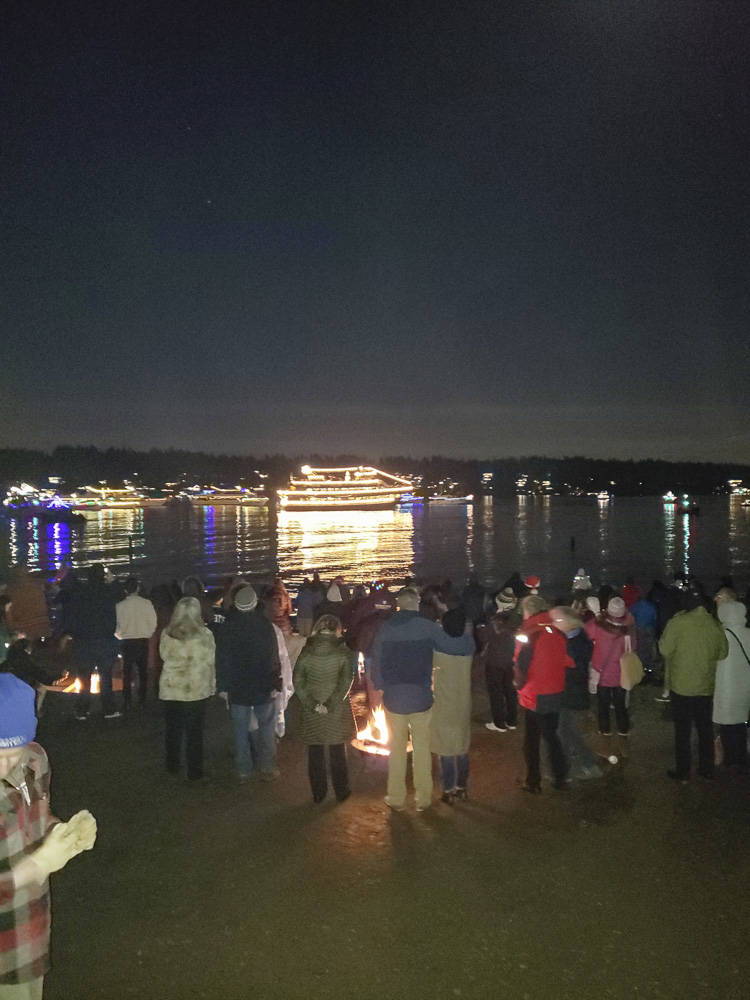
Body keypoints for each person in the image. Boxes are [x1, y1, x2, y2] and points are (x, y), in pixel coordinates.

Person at [0, 673, 97, 997]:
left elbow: (37, 820)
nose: (6, 765)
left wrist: (61, 832)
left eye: (14, 752)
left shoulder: (35, 760)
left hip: (29, 929)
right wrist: (38, 866)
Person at [370, 588, 473, 812]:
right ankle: (423, 799)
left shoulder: (385, 629)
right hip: (421, 697)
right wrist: (470, 640)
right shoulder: (427, 627)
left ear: (399, 605)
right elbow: (452, 646)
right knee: (421, 749)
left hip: (394, 698)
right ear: (416, 604)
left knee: (396, 749)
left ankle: (396, 799)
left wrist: (380, 686)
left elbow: (375, 662)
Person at [659, 589, 728, 782]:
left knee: (682, 730)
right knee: (704, 728)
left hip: (681, 686)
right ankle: (706, 769)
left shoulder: (678, 623)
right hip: (705, 686)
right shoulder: (715, 625)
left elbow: (664, 649)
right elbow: (723, 653)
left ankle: (683, 772)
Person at [216, 586, 281, 782]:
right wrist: (274, 683)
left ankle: (244, 768)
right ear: (255, 604)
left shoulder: (228, 627)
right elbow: (273, 658)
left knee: (240, 729)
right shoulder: (265, 626)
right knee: (267, 727)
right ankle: (267, 766)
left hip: (237, 687)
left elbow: (222, 660)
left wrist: (223, 686)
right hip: (262, 685)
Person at [292, 614, 355, 803]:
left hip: (313, 711)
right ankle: (341, 791)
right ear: (337, 630)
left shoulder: (307, 651)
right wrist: (330, 704)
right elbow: (346, 682)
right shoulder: (343, 652)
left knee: (315, 752)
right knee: (337, 751)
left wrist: (312, 704)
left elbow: (298, 681)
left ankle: (319, 793)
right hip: (335, 711)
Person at [514, 595, 571, 793]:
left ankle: (533, 781)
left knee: (531, 739)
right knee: (551, 735)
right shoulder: (556, 630)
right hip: (555, 689)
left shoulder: (528, 632)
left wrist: (518, 685)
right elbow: (567, 659)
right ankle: (560, 776)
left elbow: (520, 662)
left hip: (535, 693)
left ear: (527, 611)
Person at [159, 597, 216, 782]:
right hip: (196, 689)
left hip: (171, 687)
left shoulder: (167, 634)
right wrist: (213, 684)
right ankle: (195, 771)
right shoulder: (206, 635)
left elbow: (163, 655)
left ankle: (172, 764)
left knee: (173, 729)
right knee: (194, 732)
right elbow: (210, 661)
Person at [430, 608, 475, 803]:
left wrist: (437, 626)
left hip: (442, 702)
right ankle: (462, 787)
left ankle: (448, 789)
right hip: (463, 702)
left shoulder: (437, 648)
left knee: (445, 749)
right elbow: (465, 634)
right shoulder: (470, 645)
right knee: (462, 747)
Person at [550, 606, 599, 779]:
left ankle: (566, 770)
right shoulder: (574, 638)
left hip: (569, 692)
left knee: (563, 731)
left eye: (556, 620)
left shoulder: (576, 643)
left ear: (568, 622)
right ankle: (587, 764)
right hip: (567, 691)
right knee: (567, 730)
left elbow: (574, 670)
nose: (552, 623)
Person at [67, 564, 119, 720]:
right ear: (102, 576)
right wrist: (113, 580)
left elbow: (73, 615)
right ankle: (108, 709)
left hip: (84, 640)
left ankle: (82, 710)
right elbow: (121, 595)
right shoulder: (108, 591)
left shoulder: (80, 592)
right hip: (104, 639)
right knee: (105, 677)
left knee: (84, 677)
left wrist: (72, 635)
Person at [585, 597, 636, 742]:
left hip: (602, 672)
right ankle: (623, 730)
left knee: (603, 704)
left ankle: (605, 730)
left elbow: (587, 632)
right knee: (620, 705)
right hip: (622, 672)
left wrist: (597, 615)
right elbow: (633, 646)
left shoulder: (599, 625)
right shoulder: (630, 625)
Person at [713, 601, 750, 772]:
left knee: (727, 725)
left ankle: (730, 759)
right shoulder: (748, 633)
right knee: (741, 724)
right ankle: (741, 758)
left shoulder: (720, 635)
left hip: (725, 687)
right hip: (745, 687)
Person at [478, 587, 520, 733]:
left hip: (494, 661)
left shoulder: (494, 620)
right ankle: (512, 720)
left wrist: (481, 629)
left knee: (496, 691)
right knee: (510, 690)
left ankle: (499, 722)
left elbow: (484, 638)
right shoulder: (517, 619)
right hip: (512, 660)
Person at [115, 577, 157, 711]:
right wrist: (148, 634)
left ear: (125, 590)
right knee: (143, 672)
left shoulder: (119, 606)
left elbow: (117, 625)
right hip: (142, 641)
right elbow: (153, 622)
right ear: (138, 588)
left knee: (127, 673)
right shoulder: (147, 603)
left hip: (127, 642)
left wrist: (119, 635)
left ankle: (127, 701)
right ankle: (142, 700)